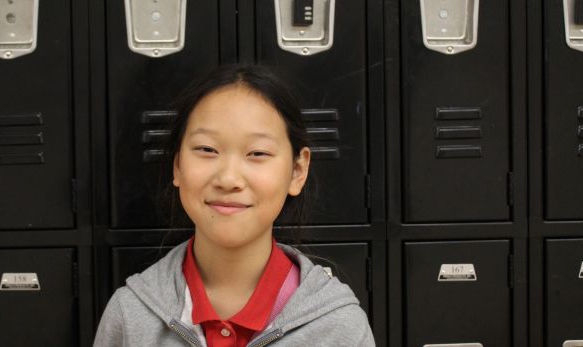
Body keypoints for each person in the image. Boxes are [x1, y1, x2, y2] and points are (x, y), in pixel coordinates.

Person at [94, 65, 374, 346]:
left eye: (258, 153)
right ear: (177, 165)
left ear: (297, 171)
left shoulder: (340, 327)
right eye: (206, 149)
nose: (228, 179)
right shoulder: (129, 315)